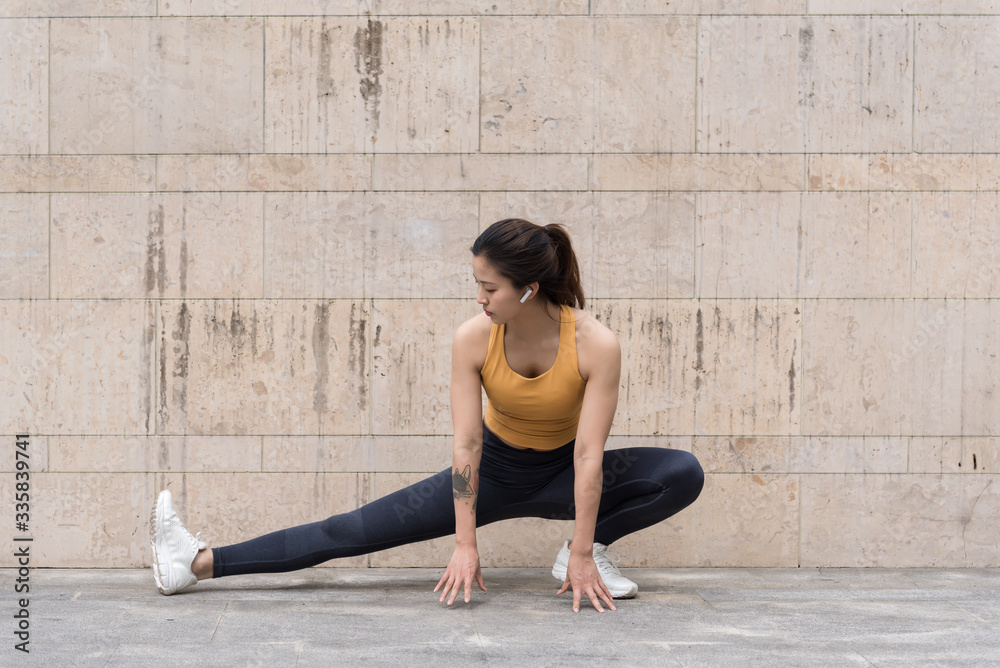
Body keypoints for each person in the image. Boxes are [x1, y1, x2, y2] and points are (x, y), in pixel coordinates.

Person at [150, 218, 704, 613]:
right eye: (477, 286)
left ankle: (576, 554)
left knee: (680, 471)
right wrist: (466, 543)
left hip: (564, 474)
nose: (480, 299)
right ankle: (194, 563)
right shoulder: (473, 338)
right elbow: (466, 447)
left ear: (528, 289)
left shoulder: (595, 344)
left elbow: (588, 455)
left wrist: (583, 550)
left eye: (489, 288)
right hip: (493, 474)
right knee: (346, 531)